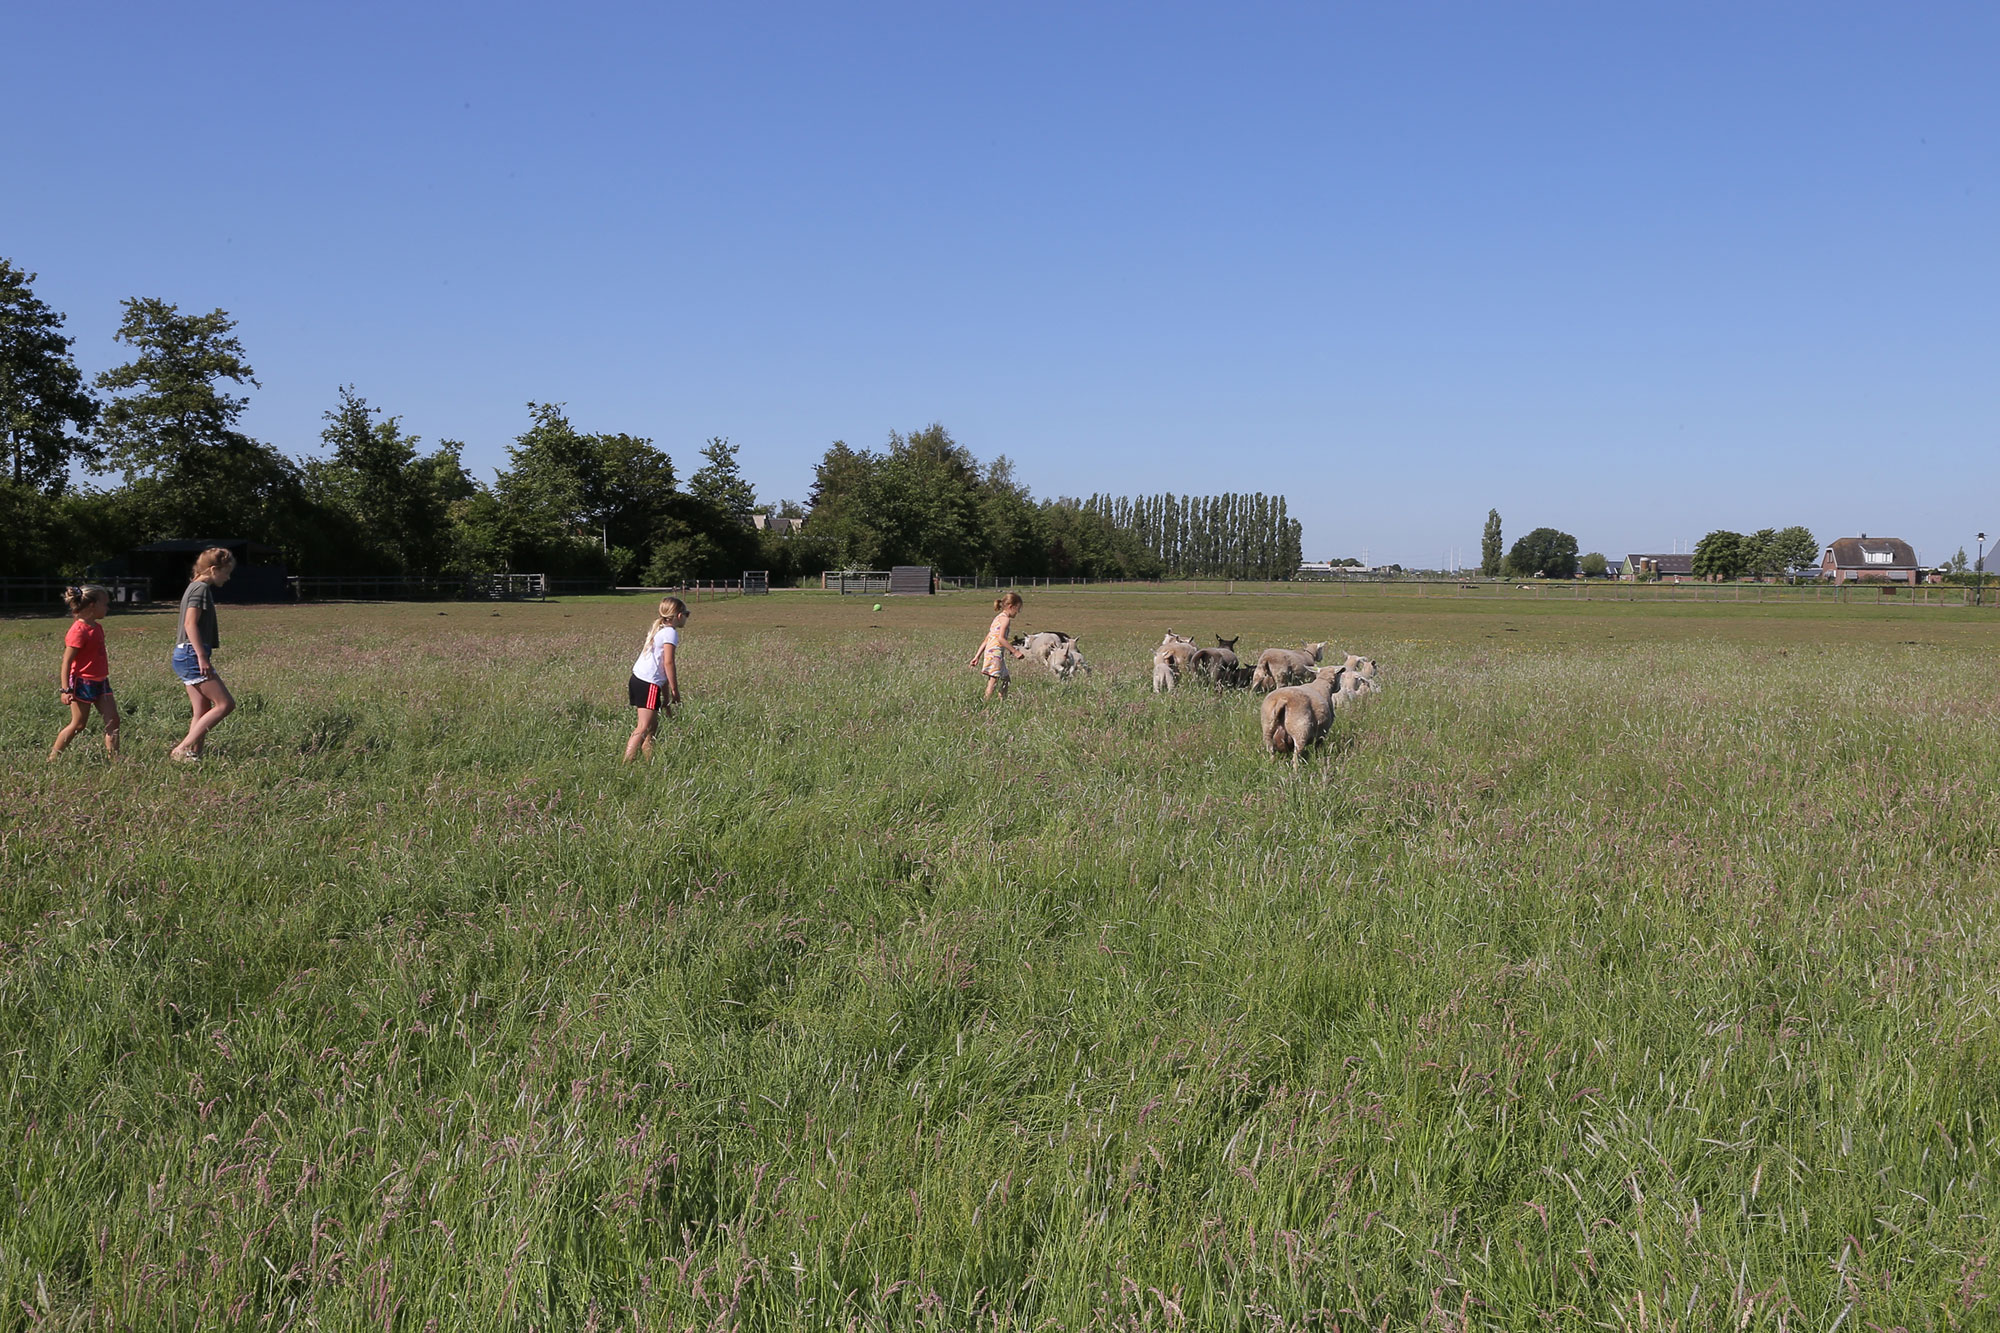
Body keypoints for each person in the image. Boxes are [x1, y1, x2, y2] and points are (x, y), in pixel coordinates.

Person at [169, 547, 237, 761]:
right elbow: (190, 624)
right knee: (225, 704)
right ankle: (182, 749)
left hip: (185, 653)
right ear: (214, 569)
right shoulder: (200, 589)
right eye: (226, 572)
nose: (228, 577)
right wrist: (201, 656)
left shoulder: (194, 586)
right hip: (191, 654)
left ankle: (193, 755)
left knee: (201, 710)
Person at [49, 585, 120, 760]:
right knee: (79, 724)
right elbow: (67, 662)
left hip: (101, 681)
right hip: (82, 683)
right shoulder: (78, 631)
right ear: (92, 606)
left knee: (113, 721)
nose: (107, 608)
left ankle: (115, 761)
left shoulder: (97, 627)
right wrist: (66, 690)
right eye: (105, 604)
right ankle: (52, 758)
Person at [625, 596, 688, 761]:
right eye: (686, 613)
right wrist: (675, 691)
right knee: (643, 727)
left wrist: (666, 698)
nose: (687, 617)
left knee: (652, 728)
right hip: (648, 684)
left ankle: (649, 764)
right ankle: (625, 765)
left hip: (639, 680)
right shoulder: (670, 633)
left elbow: (661, 670)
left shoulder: (661, 629)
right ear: (678, 616)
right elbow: (668, 663)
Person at [969, 591, 1026, 700]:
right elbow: (1001, 639)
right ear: (1011, 606)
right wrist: (1015, 651)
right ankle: (986, 703)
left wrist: (977, 656)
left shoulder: (997, 618)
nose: (1018, 612)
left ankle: (1001, 701)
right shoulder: (1005, 620)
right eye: (1018, 608)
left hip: (993, 653)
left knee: (1006, 680)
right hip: (995, 654)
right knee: (993, 681)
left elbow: (987, 639)